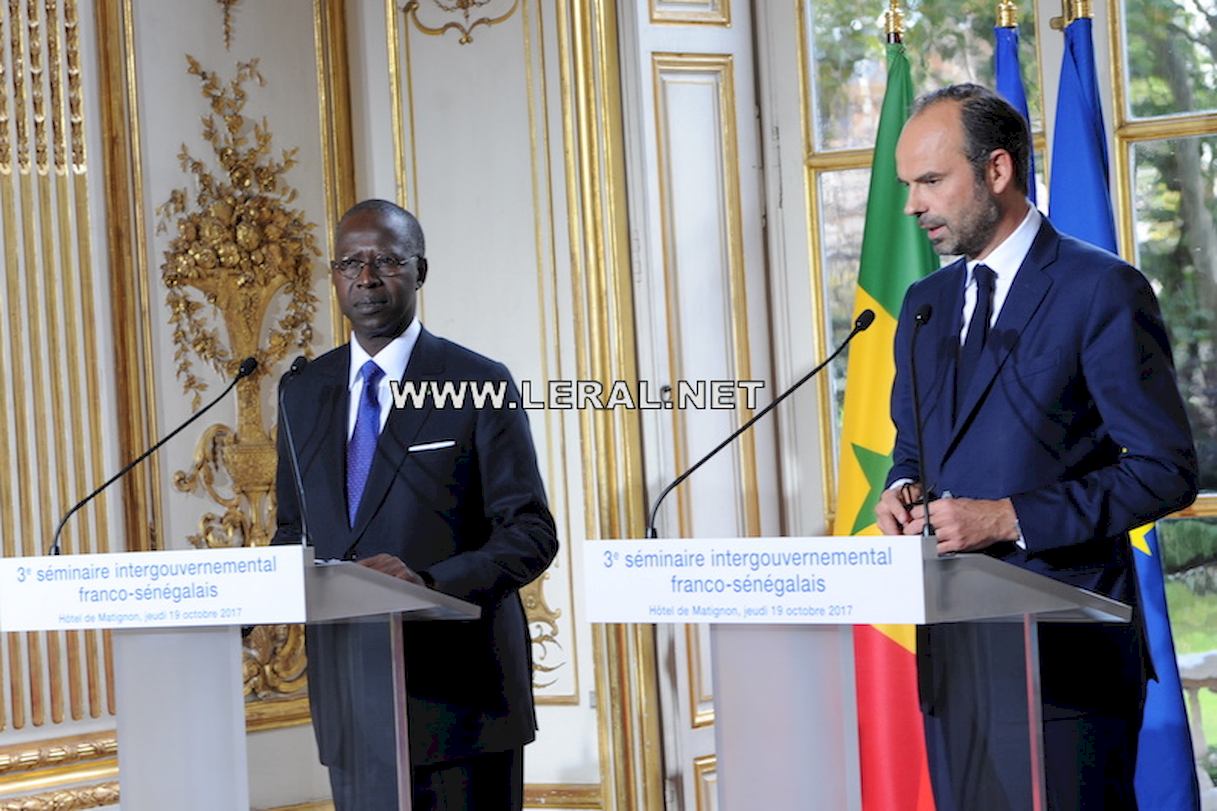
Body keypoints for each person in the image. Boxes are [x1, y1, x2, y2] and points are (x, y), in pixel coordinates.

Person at [874, 85, 1197, 809]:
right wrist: (900, 488)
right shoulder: (924, 305)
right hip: (954, 659)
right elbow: (915, 447)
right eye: (907, 186)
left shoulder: (1100, 289)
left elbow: (1165, 470)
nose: (911, 206)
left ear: (995, 170)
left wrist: (1008, 516)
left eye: (929, 182)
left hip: (1064, 661)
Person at [273, 199, 559, 810]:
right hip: (353, 703)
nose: (367, 278)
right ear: (334, 277)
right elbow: (293, 531)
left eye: (386, 261)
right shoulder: (302, 392)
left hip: (462, 703)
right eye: (350, 263)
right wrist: (236, 603)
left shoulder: (476, 380)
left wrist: (426, 582)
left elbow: (530, 531)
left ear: (420, 271)